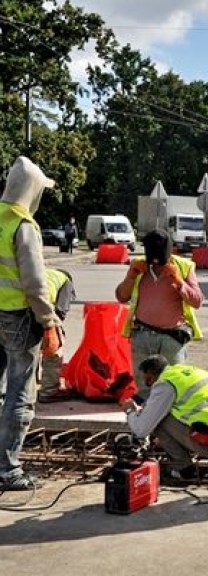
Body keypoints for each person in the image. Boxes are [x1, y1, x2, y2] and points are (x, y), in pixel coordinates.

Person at [0, 156, 62, 491]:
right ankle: (7, 469)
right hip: (17, 321)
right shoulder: (23, 225)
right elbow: (36, 284)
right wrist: (48, 321)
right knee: (19, 395)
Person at [119, 355, 208, 482]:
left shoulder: (165, 384)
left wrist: (131, 411)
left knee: (159, 420)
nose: (148, 385)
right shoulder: (190, 372)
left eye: (147, 381)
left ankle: (182, 469)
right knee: (168, 414)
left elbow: (141, 429)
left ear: (151, 377)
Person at [115, 228, 204, 400]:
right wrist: (131, 277)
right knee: (144, 386)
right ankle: (145, 414)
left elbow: (197, 301)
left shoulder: (183, 267)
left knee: (175, 384)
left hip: (172, 336)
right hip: (142, 333)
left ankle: (172, 414)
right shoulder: (139, 267)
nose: (156, 262)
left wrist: (179, 282)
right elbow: (121, 296)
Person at [37, 268, 76, 403]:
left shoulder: (46, 273)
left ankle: (28, 387)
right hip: (43, 308)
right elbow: (61, 309)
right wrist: (52, 328)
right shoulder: (66, 281)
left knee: (26, 349)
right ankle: (49, 390)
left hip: (19, 308)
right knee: (53, 350)